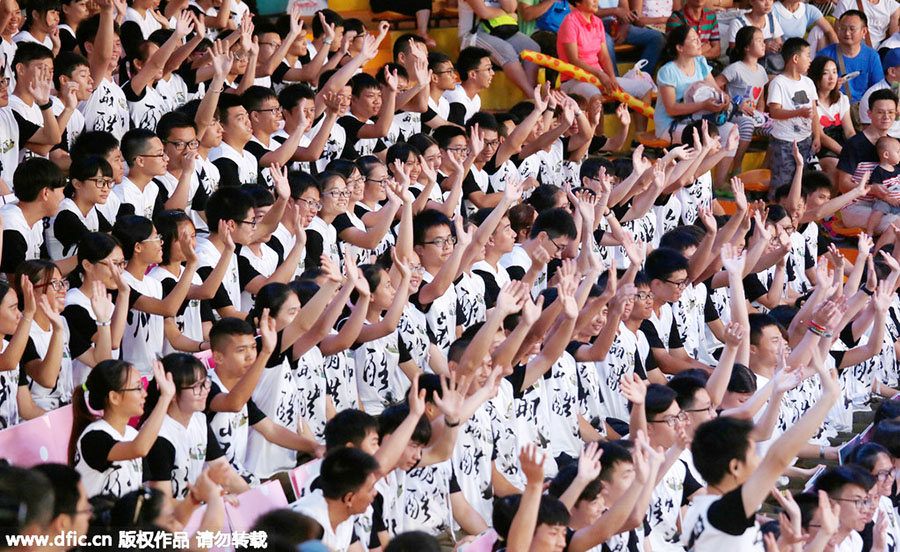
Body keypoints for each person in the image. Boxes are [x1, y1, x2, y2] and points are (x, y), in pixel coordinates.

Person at [70, 359, 175, 498]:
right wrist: (165, 398)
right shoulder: (93, 437)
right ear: (114, 397)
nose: (145, 393)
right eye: (138, 388)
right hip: (99, 518)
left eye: (142, 386)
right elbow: (139, 448)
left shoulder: (132, 434)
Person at [654, 26, 730, 141]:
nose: (699, 43)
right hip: (671, 123)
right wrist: (703, 105)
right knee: (704, 137)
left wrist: (723, 98)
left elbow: (715, 89)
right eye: (694, 40)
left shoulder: (700, 62)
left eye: (699, 38)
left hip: (698, 119)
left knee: (730, 131)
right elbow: (671, 109)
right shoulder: (667, 71)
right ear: (680, 47)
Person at [767, 37, 819, 192]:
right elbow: (774, 112)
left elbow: (814, 112)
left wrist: (816, 136)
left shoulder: (808, 82)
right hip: (785, 141)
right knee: (783, 183)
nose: (810, 59)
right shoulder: (779, 83)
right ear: (795, 58)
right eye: (808, 55)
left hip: (806, 139)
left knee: (803, 182)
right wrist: (798, 112)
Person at [817, 10, 885, 103]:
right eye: (842, 28)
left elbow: (878, 89)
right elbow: (814, 88)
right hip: (834, 105)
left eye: (852, 29)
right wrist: (830, 88)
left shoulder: (872, 56)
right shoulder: (825, 55)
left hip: (862, 108)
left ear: (864, 31)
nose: (847, 33)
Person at [809, 55, 854, 179]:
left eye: (834, 72)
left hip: (840, 141)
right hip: (820, 147)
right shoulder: (810, 101)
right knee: (835, 167)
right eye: (825, 73)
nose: (832, 77)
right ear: (816, 77)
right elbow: (821, 136)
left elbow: (849, 132)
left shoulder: (842, 98)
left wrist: (856, 148)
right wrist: (844, 153)